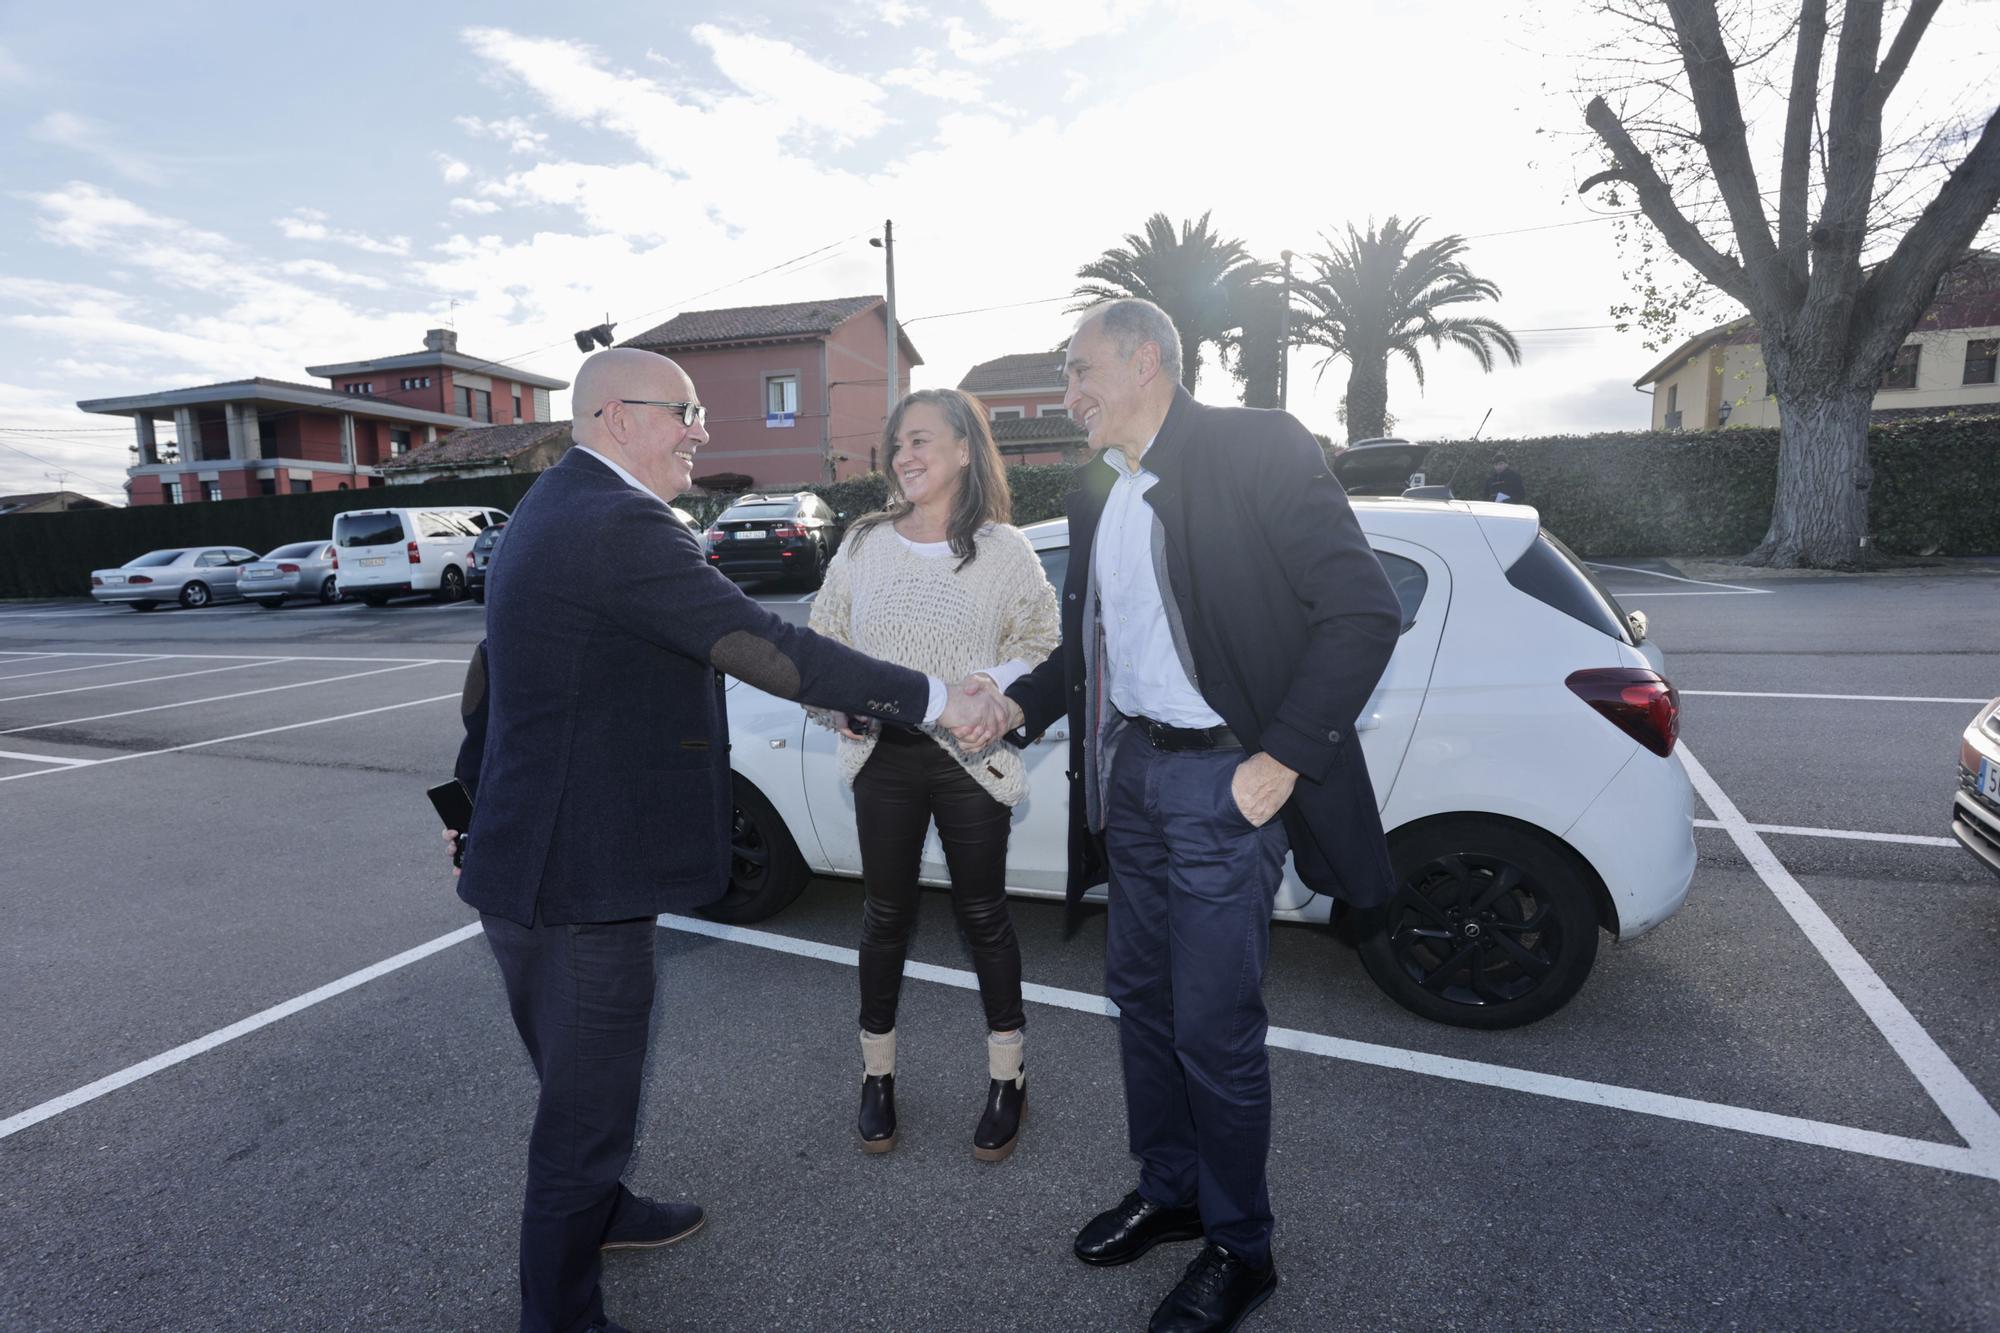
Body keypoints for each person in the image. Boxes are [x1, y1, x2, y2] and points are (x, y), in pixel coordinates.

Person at [447, 348, 1007, 1333]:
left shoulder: (552, 505)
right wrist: (925, 698)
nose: (701, 429)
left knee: (581, 1093)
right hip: (575, 886)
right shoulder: (616, 522)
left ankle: (606, 1211)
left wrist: (474, 809)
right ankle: (559, 1316)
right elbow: (765, 647)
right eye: (685, 410)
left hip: (533, 867)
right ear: (616, 416)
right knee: (581, 1122)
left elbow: (497, 675)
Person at [987, 299, 1402, 1333]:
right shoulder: (1097, 490)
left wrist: (1281, 757)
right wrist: (1013, 706)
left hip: (1221, 781)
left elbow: (1361, 610)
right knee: (1140, 998)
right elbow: (1090, 646)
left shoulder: (1253, 446)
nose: (1067, 393)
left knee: (1213, 1027)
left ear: (1144, 360)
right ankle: (1170, 1193)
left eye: (1079, 370)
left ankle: (1241, 1246)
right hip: (1133, 774)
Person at [807, 389, 1060, 1161]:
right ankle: (876, 1075)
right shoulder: (862, 542)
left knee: (983, 915)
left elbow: (1045, 642)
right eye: (895, 444)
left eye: (920, 440)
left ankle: (1007, 1076)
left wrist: (991, 687)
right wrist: (839, 705)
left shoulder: (1006, 549)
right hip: (884, 757)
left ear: (962, 450)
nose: (904, 456)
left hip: (971, 762)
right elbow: (825, 645)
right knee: (885, 915)